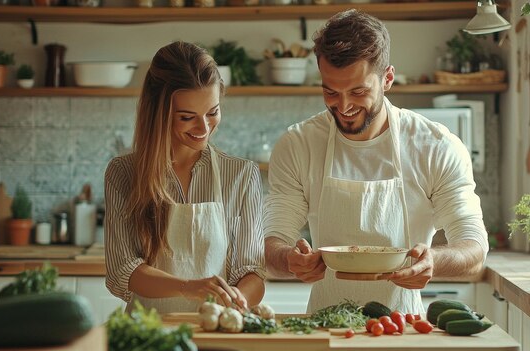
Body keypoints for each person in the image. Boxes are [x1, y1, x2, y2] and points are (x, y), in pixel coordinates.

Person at [263, 10, 489, 314]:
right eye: (330, 92)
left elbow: (474, 248)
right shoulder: (298, 145)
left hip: (403, 327)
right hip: (325, 328)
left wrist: (434, 261)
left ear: (388, 78)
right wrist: (288, 260)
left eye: (358, 91)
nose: (343, 106)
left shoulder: (435, 146)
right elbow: (271, 240)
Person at [105, 41, 265, 314]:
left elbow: (251, 271)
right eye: (187, 117)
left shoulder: (241, 175)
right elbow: (123, 270)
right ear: (159, 114)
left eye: (212, 112)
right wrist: (187, 287)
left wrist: (238, 299)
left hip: (214, 333)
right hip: (148, 335)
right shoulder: (123, 173)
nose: (204, 128)